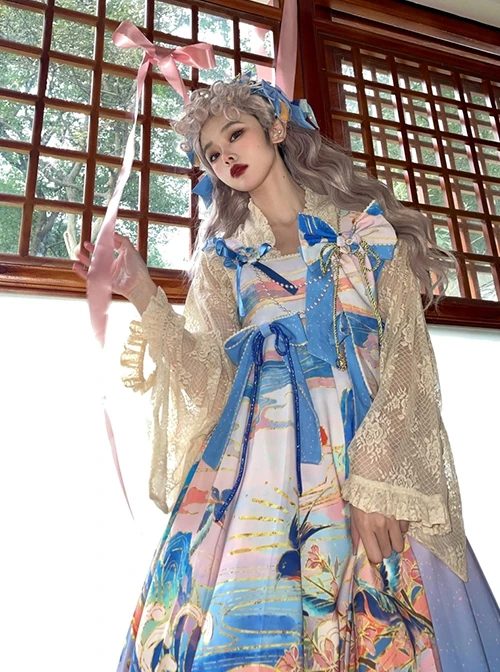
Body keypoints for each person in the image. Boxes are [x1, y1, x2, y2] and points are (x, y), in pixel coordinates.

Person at [74, 77, 499, 671]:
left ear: (276, 129)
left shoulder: (365, 234)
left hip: (361, 466)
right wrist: (141, 289)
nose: (225, 157)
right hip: (253, 482)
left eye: (235, 135)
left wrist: (377, 483)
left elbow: (408, 362)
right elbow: (210, 381)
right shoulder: (225, 262)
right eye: (211, 154)